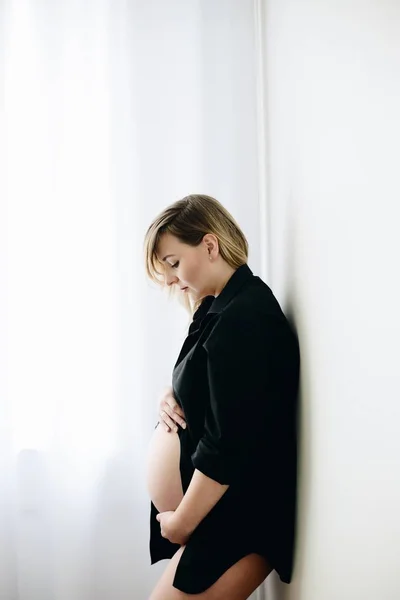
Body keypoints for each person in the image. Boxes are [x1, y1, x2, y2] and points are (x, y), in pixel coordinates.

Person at [143, 194, 300, 599]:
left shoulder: (244, 317)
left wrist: (182, 524)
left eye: (174, 263)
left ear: (210, 245)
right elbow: (214, 389)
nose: (171, 279)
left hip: (236, 521)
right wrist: (170, 394)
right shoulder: (218, 309)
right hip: (214, 515)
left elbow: (226, 442)